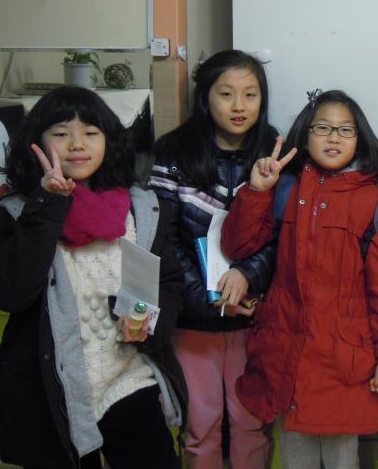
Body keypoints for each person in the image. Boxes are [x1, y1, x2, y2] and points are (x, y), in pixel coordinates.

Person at [0, 86, 186, 469]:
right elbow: (6, 292)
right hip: (52, 392)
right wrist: (46, 205)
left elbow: (167, 283)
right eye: (60, 133)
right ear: (36, 142)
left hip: (126, 378)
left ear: (108, 141)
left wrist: (150, 322)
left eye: (90, 132)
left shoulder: (140, 209)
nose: (77, 144)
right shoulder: (18, 212)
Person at [220, 89, 378, 469]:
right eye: (323, 127)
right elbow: (238, 245)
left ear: (359, 139)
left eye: (345, 130)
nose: (333, 137)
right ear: (305, 136)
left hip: (344, 359)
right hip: (285, 352)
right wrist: (257, 191)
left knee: (342, 459)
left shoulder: (374, 201)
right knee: (295, 457)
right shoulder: (286, 188)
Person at [149, 50, 277, 468]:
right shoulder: (174, 153)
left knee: (251, 423)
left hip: (252, 316)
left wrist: (248, 276)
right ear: (205, 97)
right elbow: (164, 238)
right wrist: (210, 301)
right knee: (200, 425)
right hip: (192, 320)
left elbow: (282, 233)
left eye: (250, 94)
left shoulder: (274, 151)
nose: (239, 106)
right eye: (226, 94)